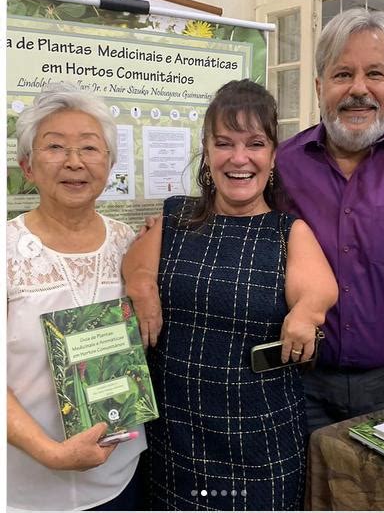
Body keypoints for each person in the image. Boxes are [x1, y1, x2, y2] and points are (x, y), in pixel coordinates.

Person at [122, 79, 338, 511]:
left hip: (259, 441)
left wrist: (307, 311)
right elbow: (137, 263)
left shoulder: (286, 231)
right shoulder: (174, 215)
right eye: (224, 143)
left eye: (255, 143)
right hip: (176, 435)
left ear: (273, 155)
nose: (239, 158)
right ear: (207, 151)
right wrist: (142, 284)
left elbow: (319, 288)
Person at [276, 8, 384, 434]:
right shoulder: (284, 163)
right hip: (298, 381)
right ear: (320, 85)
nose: (358, 90)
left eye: (375, 74)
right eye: (343, 74)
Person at [7, 82, 147, 511]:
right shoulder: (7, 250)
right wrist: (51, 452)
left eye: (89, 148)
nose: (74, 162)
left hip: (121, 478)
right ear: (27, 166)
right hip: (23, 487)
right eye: (54, 147)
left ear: (109, 163)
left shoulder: (131, 246)